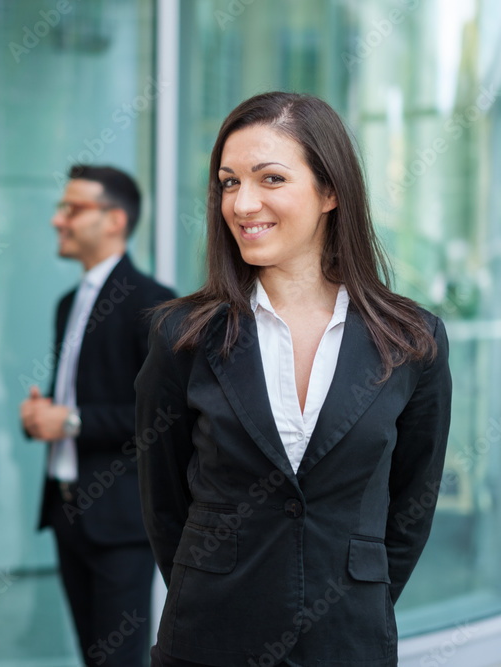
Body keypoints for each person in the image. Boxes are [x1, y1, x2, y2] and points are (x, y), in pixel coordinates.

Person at [136, 92, 452, 667]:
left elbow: (412, 505)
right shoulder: (182, 335)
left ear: (330, 192)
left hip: (348, 640)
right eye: (229, 182)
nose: (242, 202)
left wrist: (355, 594)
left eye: (270, 178)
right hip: (211, 638)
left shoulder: (411, 341)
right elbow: (164, 505)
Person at [20, 164, 175, 667]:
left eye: (72, 208)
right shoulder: (68, 303)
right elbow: (83, 394)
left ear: (114, 220)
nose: (57, 220)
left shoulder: (154, 304)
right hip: (68, 511)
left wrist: (69, 422)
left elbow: (163, 416)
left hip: (121, 519)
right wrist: (42, 416)